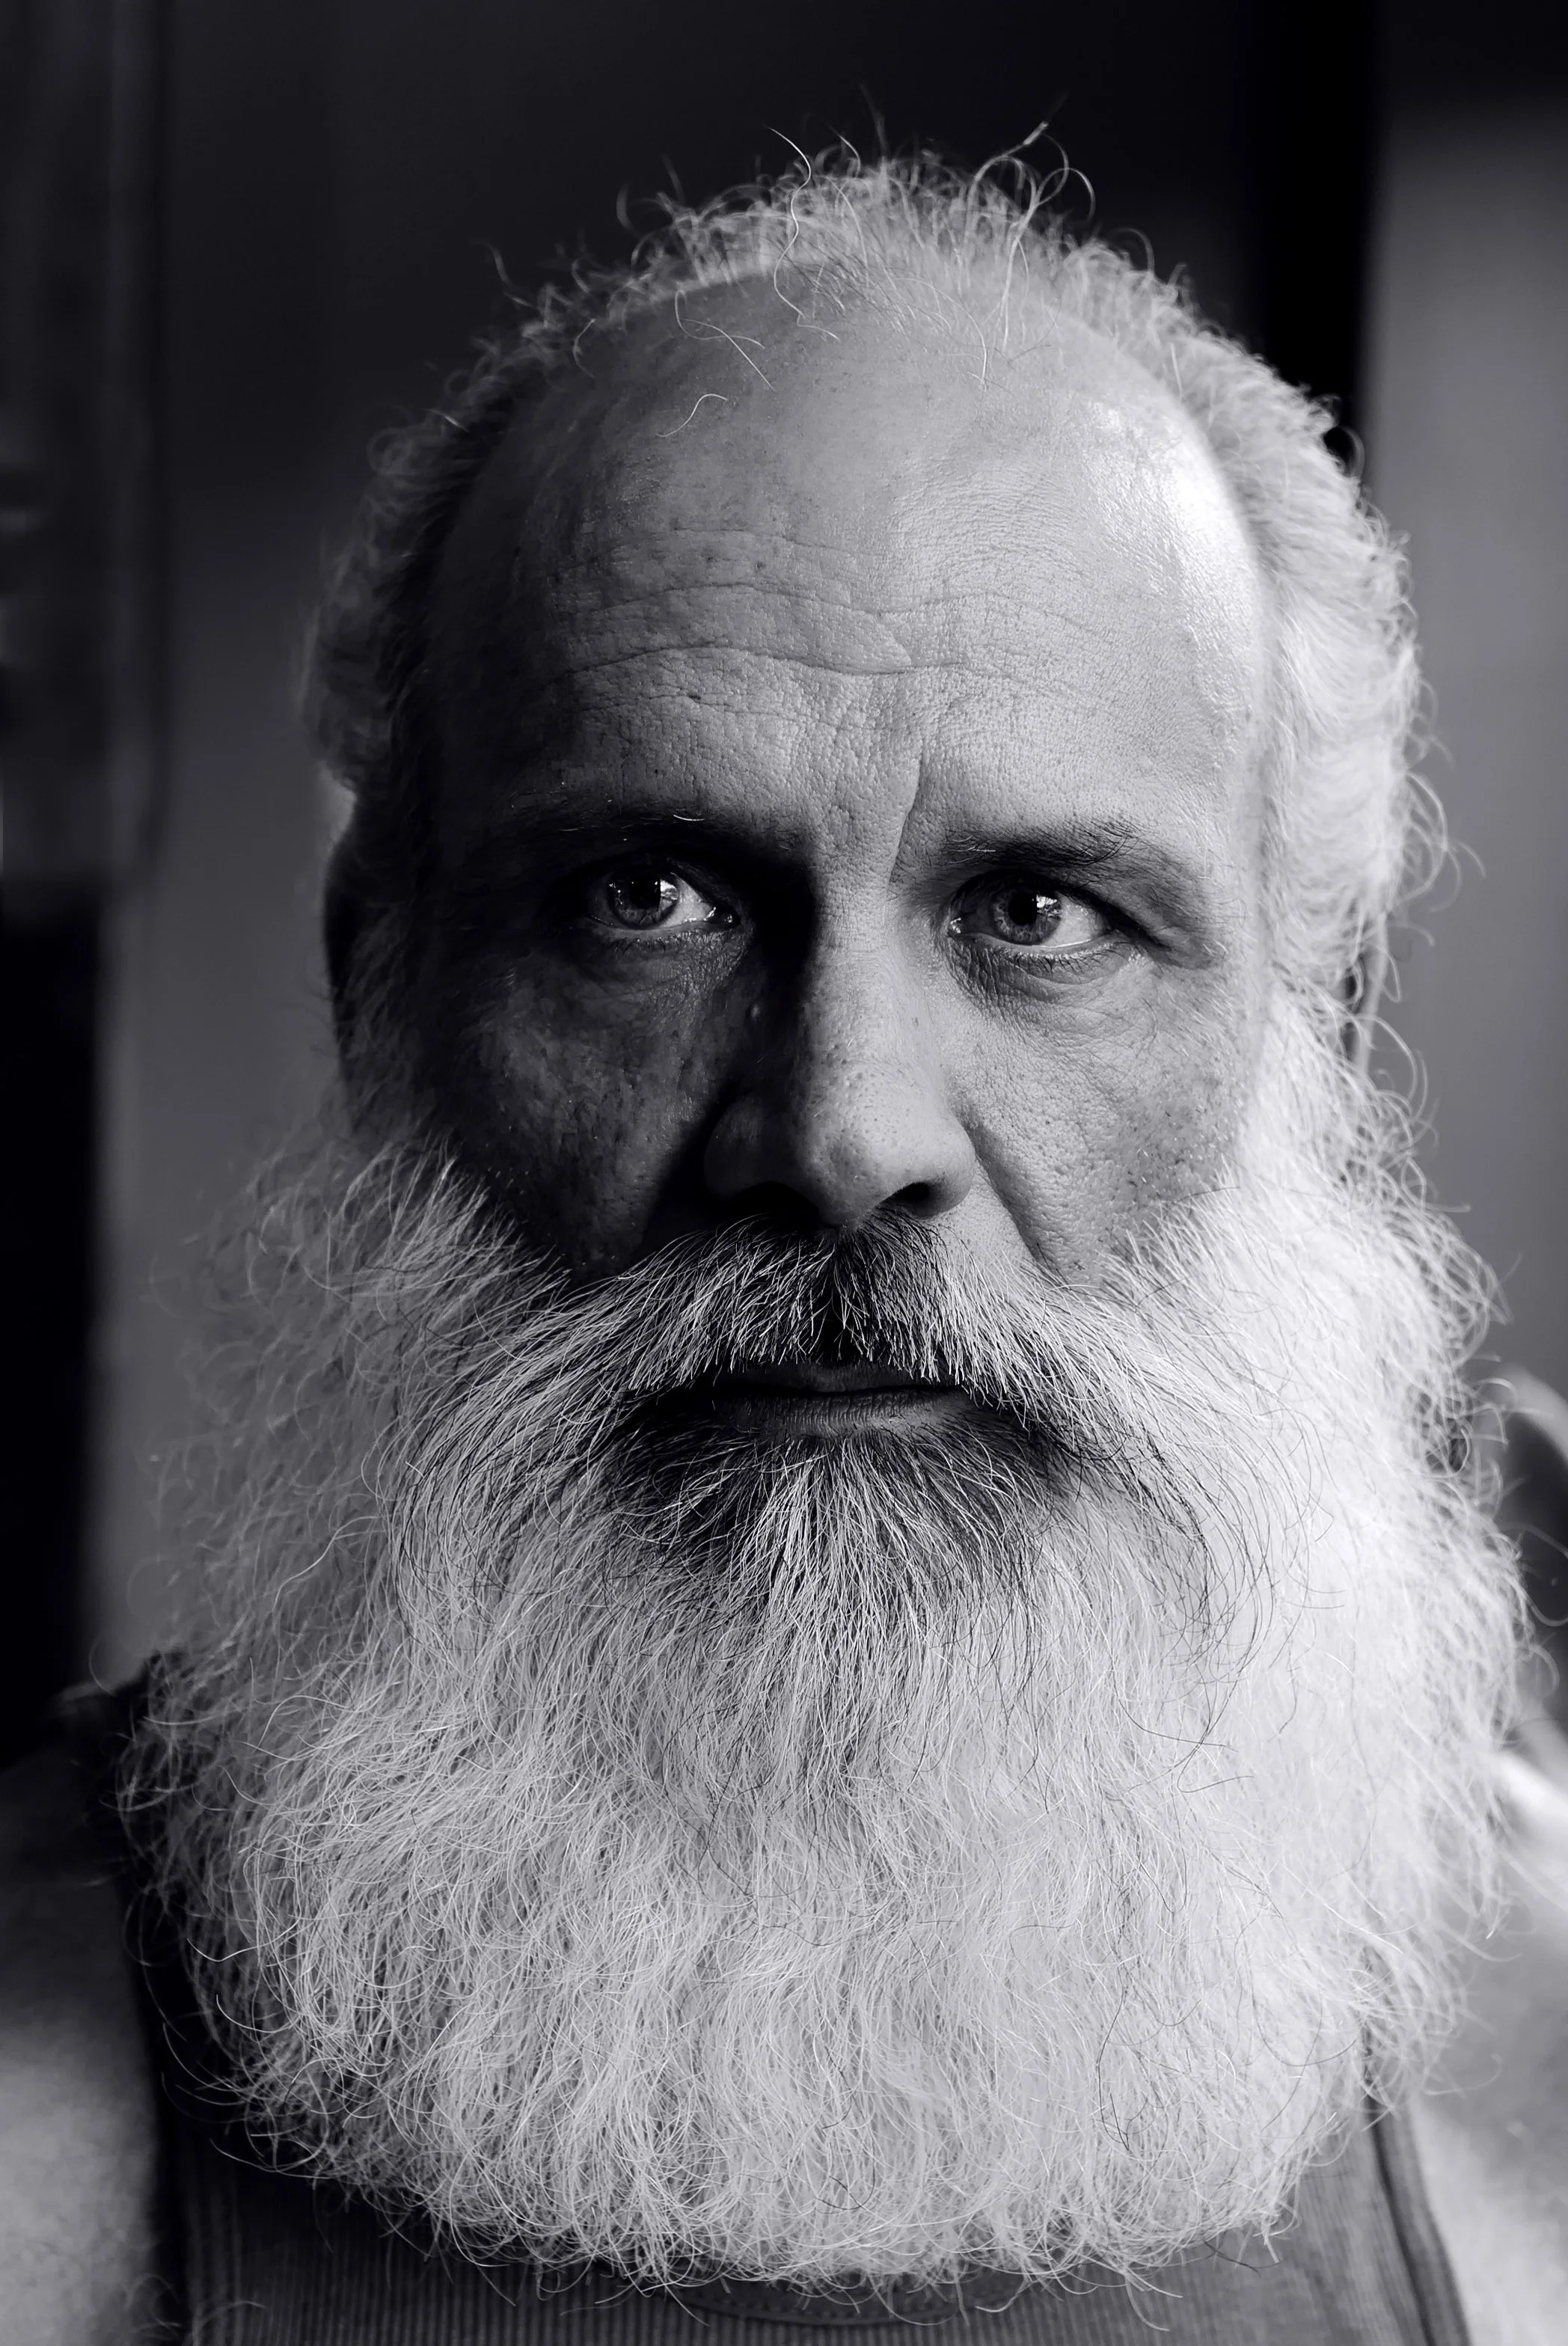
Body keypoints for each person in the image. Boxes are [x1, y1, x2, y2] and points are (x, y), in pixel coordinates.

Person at [3, 153, 1566, 2346]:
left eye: (1043, 914)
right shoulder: (31, 2116)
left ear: (1316, 1024)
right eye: (650, 900)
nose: (842, 1130)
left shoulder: (1535, 2081)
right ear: (384, 992)